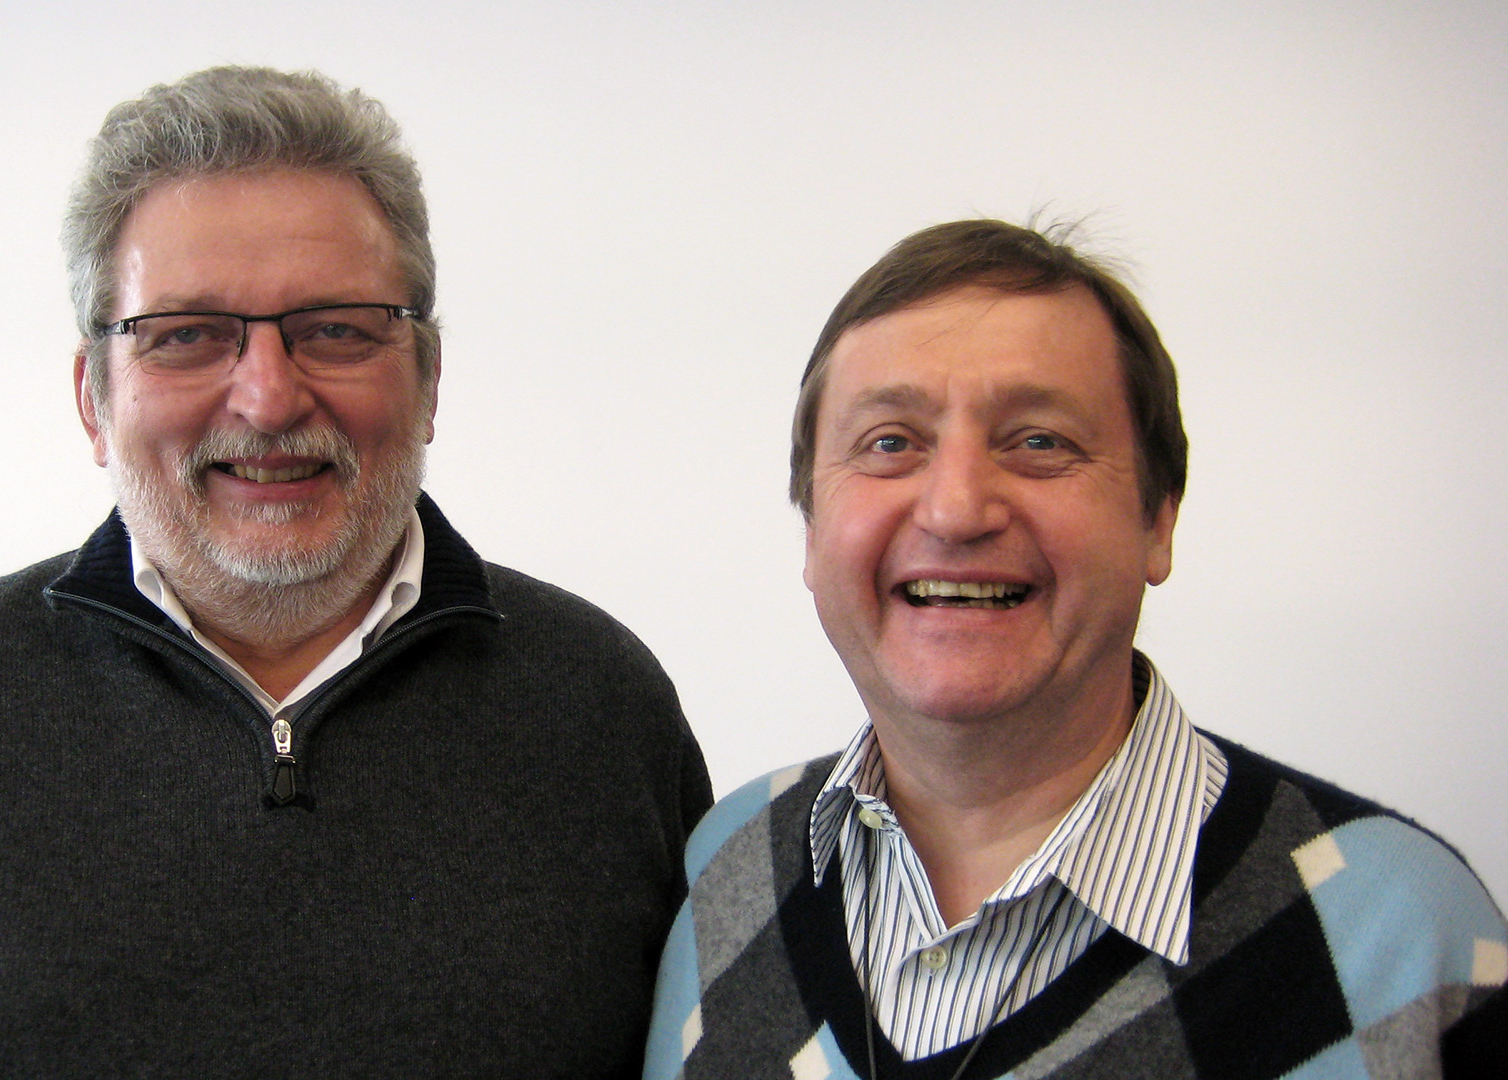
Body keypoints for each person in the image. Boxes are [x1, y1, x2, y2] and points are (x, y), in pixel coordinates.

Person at [0, 66, 712, 1079]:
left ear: (429, 377)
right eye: (186, 336)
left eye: (336, 330)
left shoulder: (605, 710)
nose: (266, 398)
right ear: (93, 398)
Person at [645, 220, 1505, 1079]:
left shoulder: (1408, 932)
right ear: (811, 526)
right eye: (891, 443)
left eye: (1039, 442)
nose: (955, 509)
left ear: (1159, 519)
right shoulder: (727, 872)